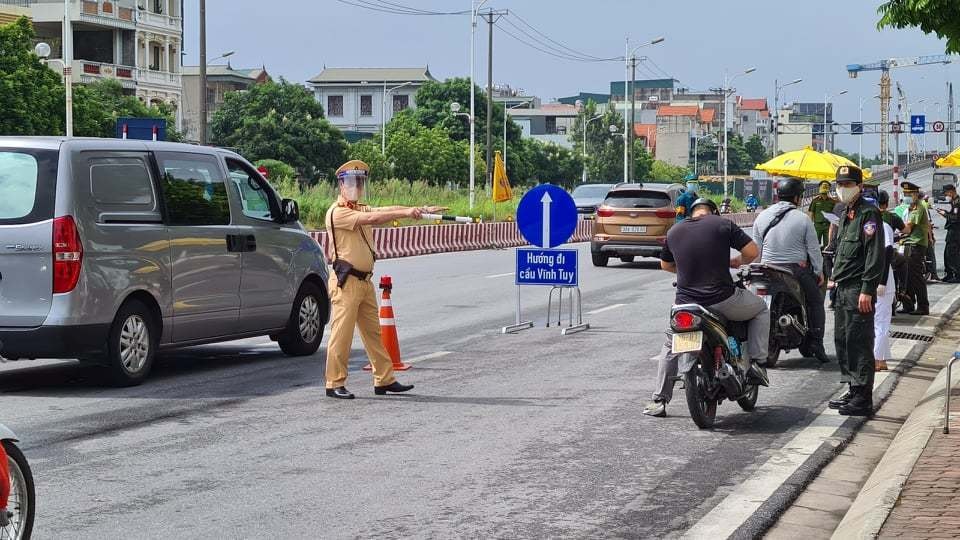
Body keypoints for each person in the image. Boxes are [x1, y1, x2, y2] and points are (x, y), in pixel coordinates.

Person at [323, 160, 446, 399]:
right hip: (346, 282)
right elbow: (374, 220)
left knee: (374, 334)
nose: (356, 187)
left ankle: (384, 379)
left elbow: (382, 211)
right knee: (342, 335)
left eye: (359, 183)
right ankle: (334, 383)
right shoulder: (338, 213)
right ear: (341, 186)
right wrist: (406, 213)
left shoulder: (360, 208)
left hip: (364, 282)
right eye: (351, 183)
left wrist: (416, 209)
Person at [643, 198, 770, 417]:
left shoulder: (675, 231)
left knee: (671, 344)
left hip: (686, 304)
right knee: (761, 309)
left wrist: (687, 271)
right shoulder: (722, 224)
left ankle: (659, 400)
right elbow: (752, 252)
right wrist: (737, 262)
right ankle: (758, 363)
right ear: (713, 212)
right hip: (722, 299)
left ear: (692, 213)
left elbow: (665, 265)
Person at [827, 165, 885, 417]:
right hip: (842, 287)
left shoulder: (868, 214)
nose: (843, 189)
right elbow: (842, 251)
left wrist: (867, 289)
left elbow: (874, 254)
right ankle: (852, 387)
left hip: (858, 289)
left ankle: (863, 397)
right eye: (840, 185)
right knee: (842, 339)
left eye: (848, 185)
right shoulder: (846, 213)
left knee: (859, 341)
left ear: (860, 187)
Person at [751, 178, 829, 363]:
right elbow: (814, 250)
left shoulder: (762, 216)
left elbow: (756, 250)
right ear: (797, 197)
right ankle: (817, 342)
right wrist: (819, 272)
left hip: (765, 269)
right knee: (816, 301)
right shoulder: (803, 219)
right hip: (794, 270)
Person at [898, 181, 930, 315]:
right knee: (907, 275)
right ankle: (908, 304)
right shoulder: (911, 207)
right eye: (905, 194)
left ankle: (923, 306)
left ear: (916, 194)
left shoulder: (919, 207)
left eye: (909, 194)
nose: (906, 196)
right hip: (908, 244)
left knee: (915, 276)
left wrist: (894, 223)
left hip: (916, 245)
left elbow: (908, 228)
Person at [873, 213, 896, 371]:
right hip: (872, 282)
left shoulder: (883, 226)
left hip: (883, 284)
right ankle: (882, 360)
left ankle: (876, 359)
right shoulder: (866, 227)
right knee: (878, 321)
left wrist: (882, 281)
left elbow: (888, 252)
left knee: (880, 322)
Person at [936, 184, 960, 282]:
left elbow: (956, 219)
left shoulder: (957, 203)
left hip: (956, 233)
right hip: (952, 232)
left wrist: (945, 214)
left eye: (946, 193)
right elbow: (953, 215)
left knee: (952, 254)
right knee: (947, 253)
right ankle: (949, 274)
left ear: (951, 191)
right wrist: (945, 212)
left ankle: (957, 275)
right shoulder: (954, 202)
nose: (946, 195)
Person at [808, 181, 838, 249]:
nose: (823, 194)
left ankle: (826, 258)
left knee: (827, 244)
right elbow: (811, 213)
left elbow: (835, 213)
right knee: (815, 244)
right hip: (817, 225)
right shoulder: (815, 200)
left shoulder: (832, 201)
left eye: (825, 193)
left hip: (828, 226)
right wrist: (810, 225)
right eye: (822, 193)